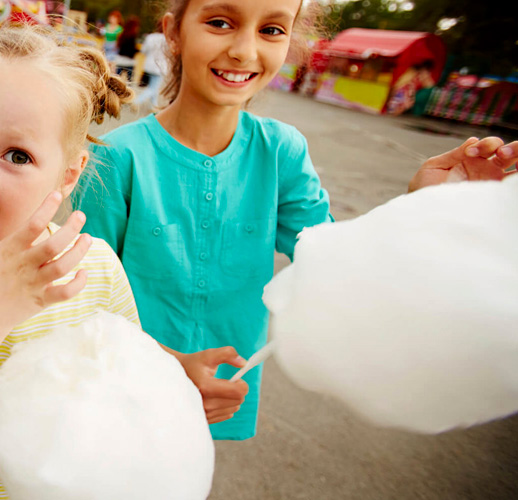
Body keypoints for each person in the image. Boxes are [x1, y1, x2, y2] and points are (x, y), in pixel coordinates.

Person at [74, 0, 518, 442]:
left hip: (222, 391)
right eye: (220, 22)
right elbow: (85, 295)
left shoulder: (283, 151)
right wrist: (167, 362)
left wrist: (424, 207)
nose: (245, 51)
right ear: (173, 31)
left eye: (272, 30)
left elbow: (331, 261)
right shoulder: (118, 157)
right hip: (122, 380)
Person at [0, 27, 249, 499]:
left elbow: (116, 364)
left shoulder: (93, 268)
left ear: (67, 175)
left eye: (16, 155)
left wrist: (177, 373)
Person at [134, 29, 169, 109]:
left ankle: (153, 106)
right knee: (153, 88)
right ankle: (137, 101)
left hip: (149, 65)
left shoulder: (150, 37)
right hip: (160, 67)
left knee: (154, 87)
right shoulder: (166, 39)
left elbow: (143, 50)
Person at [114, 15, 140, 81]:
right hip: (129, 61)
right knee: (129, 81)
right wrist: (138, 50)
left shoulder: (122, 34)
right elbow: (130, 50)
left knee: (116, 80)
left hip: (120, 60)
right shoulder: (132, 37)